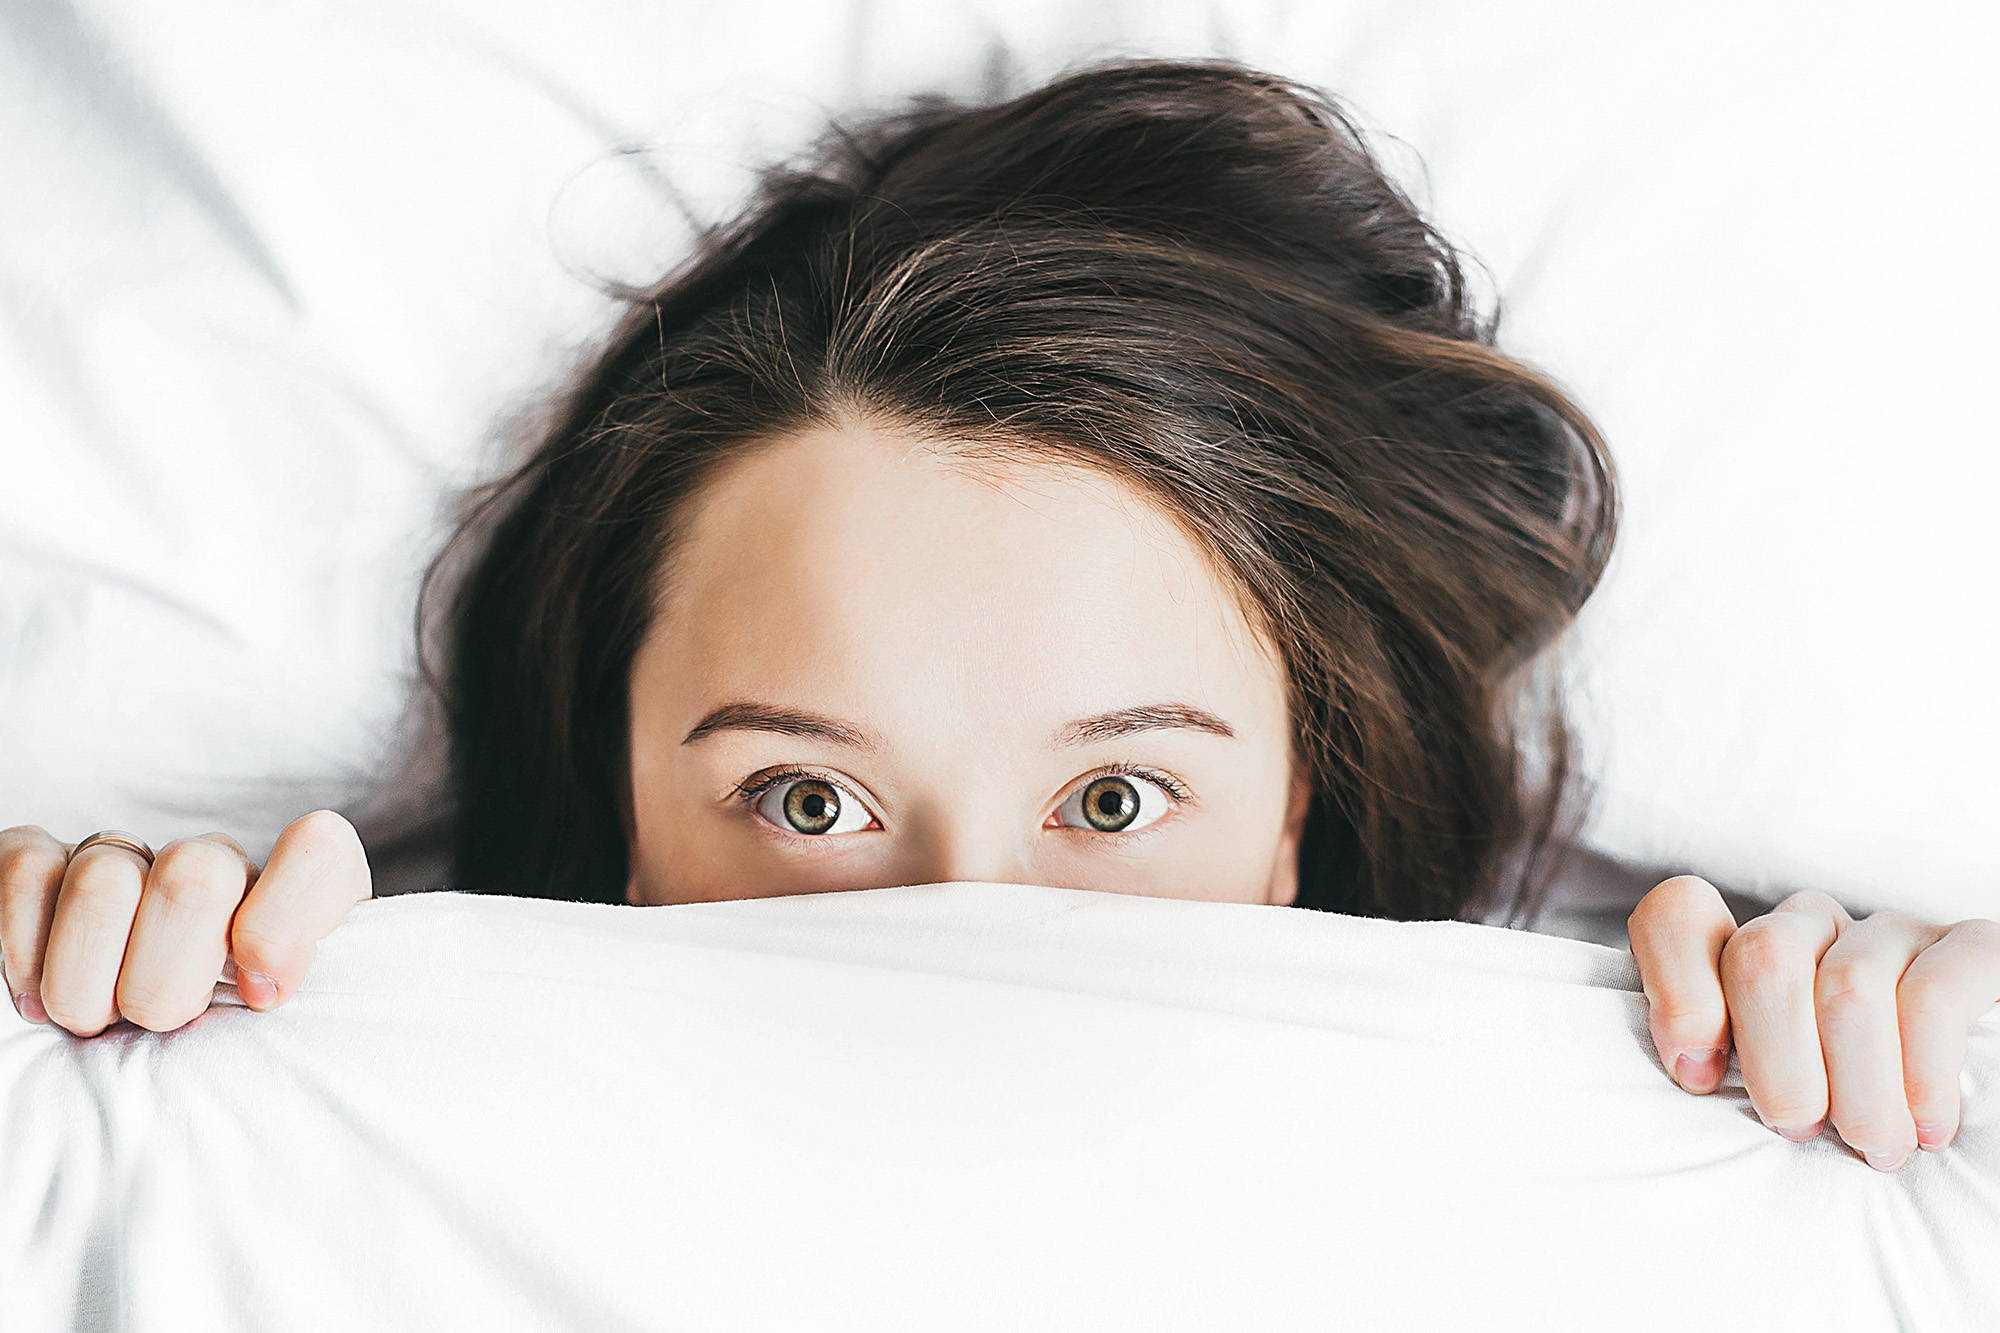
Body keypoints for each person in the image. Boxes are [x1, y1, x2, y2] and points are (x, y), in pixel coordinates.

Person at [1, 58, 1989, 1175]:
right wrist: (71, 1015)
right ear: (611, 806)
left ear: (1302, 809)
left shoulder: (1659, 1137)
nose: (963, 937)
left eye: (1115, 801)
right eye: (803, 800)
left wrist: (1929, 1073)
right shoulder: (314, 1138)